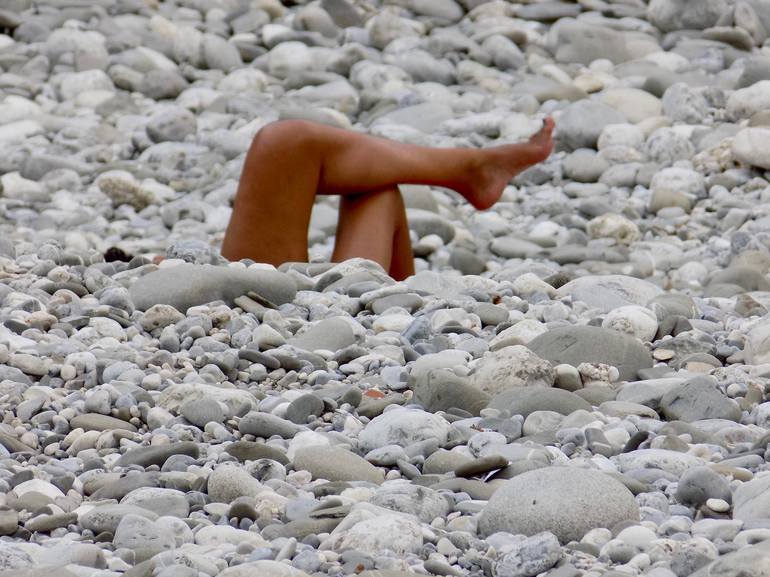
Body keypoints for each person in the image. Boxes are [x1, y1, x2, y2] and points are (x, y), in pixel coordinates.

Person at [221, 117, 555, 280]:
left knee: (287, 143)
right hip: (274, 330)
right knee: (377, 193)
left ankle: (469, 169)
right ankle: (469, 169)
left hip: (275, 320)